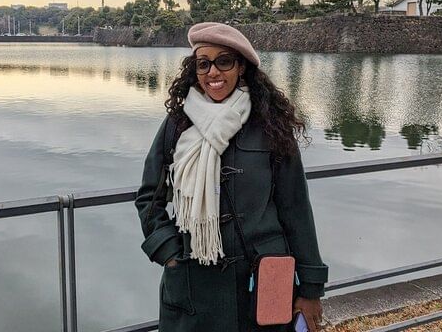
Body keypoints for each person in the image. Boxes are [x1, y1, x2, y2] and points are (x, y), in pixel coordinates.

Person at [135, 22, 328, 331]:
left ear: (241, 67)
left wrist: (310, 288)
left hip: (261, 280)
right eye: (203, 64)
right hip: (193, 281)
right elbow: (149, 199)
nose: (213, 72)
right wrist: (169, 253)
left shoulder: (270, 125)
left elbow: (296, 209)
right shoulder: (178, 124)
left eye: (224, 61)